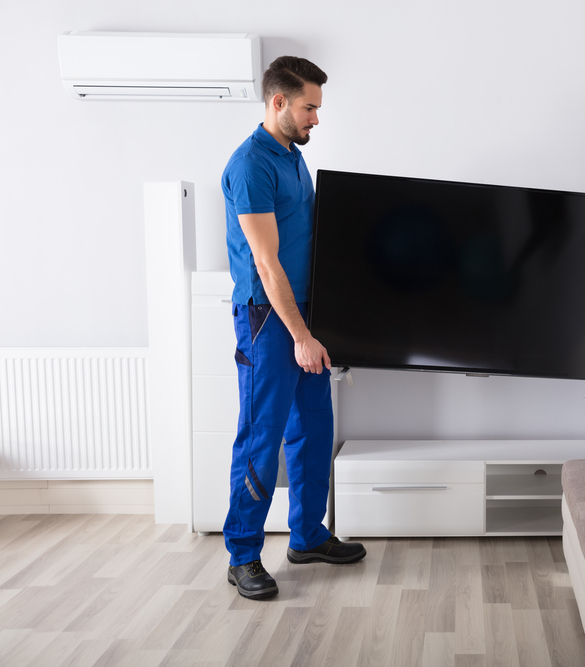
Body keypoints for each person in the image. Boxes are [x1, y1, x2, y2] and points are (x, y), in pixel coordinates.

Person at [221, 55, 366, 601]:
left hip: (306, 314)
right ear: (278, 102)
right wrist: (300, 336)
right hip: (269, 319)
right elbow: (266, 262)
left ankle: (307, 536)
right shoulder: (251, 164)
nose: (316, 119)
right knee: (261, 437)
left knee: (312, 430)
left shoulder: (292, 156)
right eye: (309, 107)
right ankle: (242, 556)